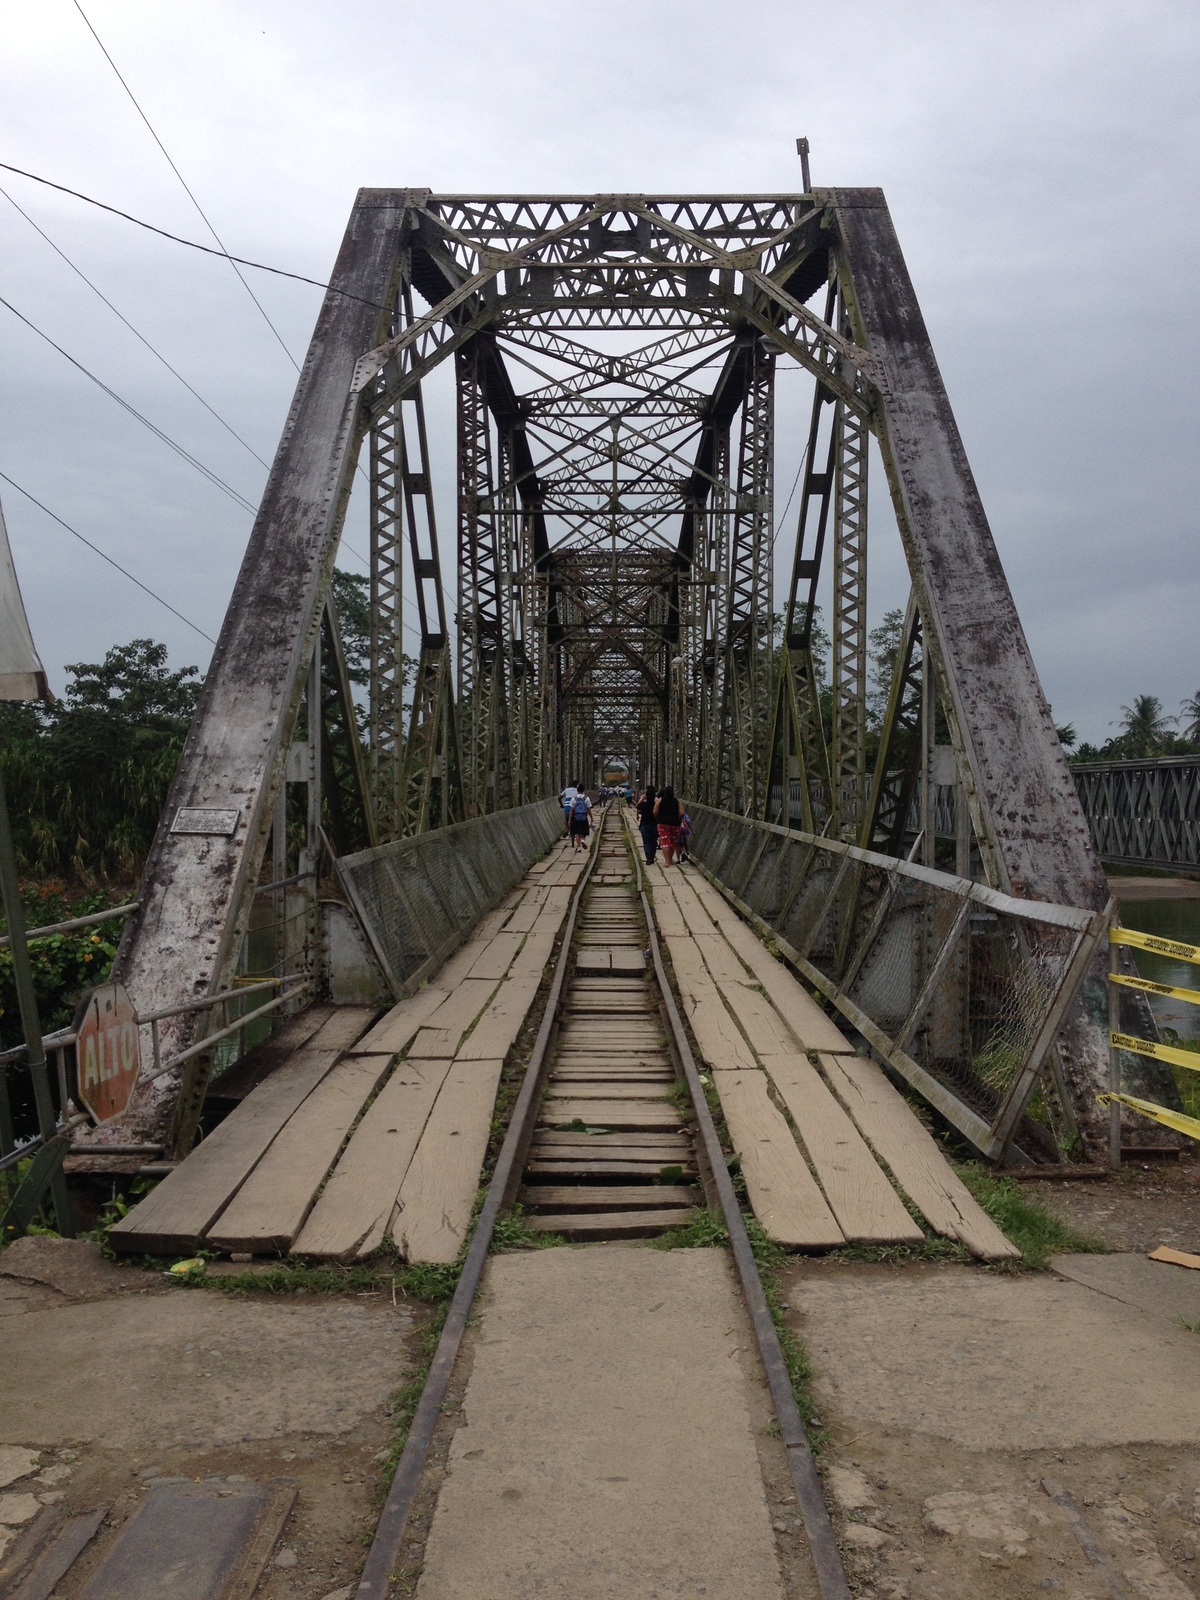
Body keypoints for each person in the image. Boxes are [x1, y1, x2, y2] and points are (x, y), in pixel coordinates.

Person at [653, 784, 683, 866]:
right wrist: (679, 820)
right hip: (675, 824)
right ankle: (670, 859)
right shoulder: (677, 801)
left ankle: (667, 862)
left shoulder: (660, 800)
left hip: (663, 823)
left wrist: (658, 819)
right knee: (672, 842)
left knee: (665, 842)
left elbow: (655, 812)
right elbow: (681, 813)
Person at [635, 785, 659, 864]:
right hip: (654, 825)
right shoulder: (656, 805)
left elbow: (637, 806)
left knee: (646, 842)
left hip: (644, 825)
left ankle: (648, 856)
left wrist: (642, 798)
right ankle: (652, 856)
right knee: (654, 842)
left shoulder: (644, 805)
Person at [568, 784, 593, 851]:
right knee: (584, 831)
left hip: (576, 817)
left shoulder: (574, 798)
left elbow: (571, 810)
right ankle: (583, 840)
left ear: (577, 790)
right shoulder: (587, 798)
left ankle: (578, 847)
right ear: (583, 790)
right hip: (584, 817)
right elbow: (589, 809)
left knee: (577, 832)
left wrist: (570, 819)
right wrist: (592, 818)